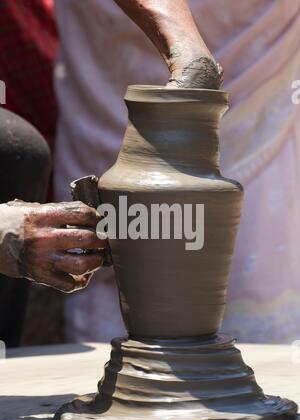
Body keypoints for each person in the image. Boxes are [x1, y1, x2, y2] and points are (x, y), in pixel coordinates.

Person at [55, 0, 300, 344]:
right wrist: (186, 47)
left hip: (262, 93)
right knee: (113, 262)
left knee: (250, 308)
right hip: (108, 82)